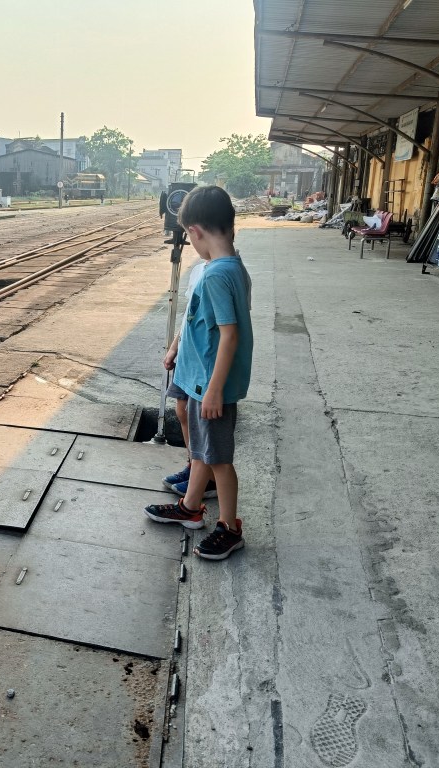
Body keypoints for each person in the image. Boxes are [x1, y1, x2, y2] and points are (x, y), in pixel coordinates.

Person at [144, 186, 253, 561]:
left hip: (210, 385)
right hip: (199, 379)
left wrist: (214, 390)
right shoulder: (231, 267)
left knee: (219, 459)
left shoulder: (216, 276)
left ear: (194, 231)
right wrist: (179, 349)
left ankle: (229, 527)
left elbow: (229, 334)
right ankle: (190, 507)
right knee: (205, 452)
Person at [161, 258, 217, 501]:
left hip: (204, 358)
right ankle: (194, 466)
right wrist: (175, 346)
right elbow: (189, 314)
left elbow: (230, 330)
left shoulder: (226, 273)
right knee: (183, 411)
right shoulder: (199, 269)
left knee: (201, 421)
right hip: (187, 352)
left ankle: (207, 479)